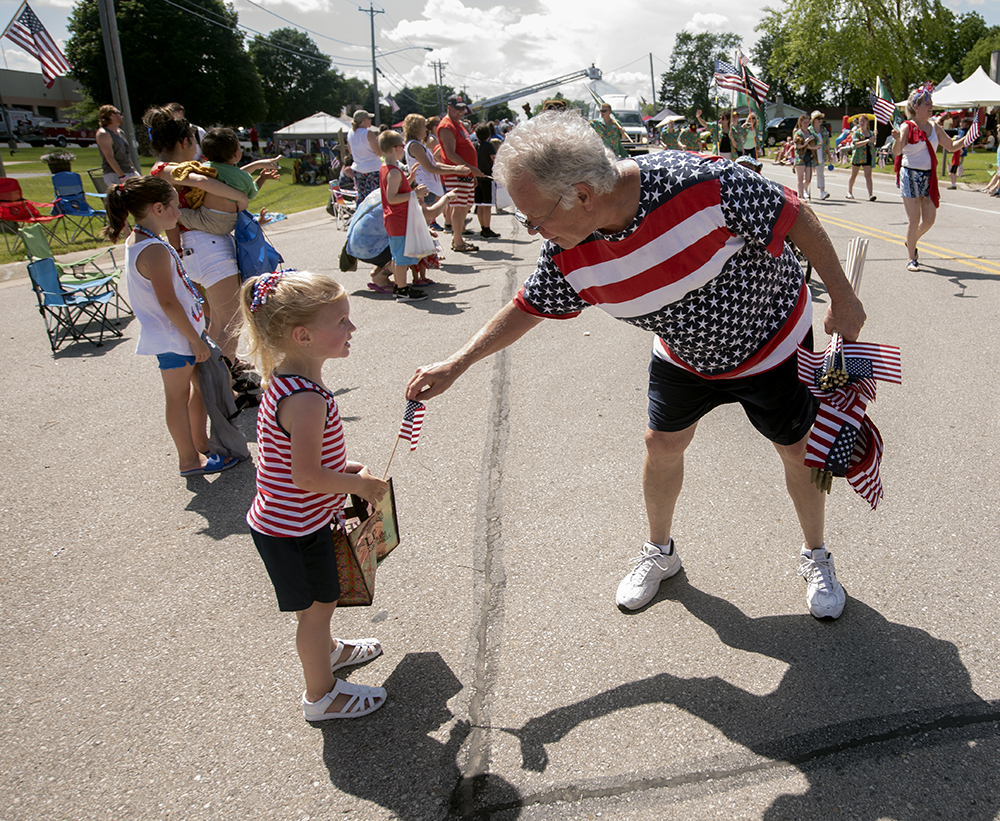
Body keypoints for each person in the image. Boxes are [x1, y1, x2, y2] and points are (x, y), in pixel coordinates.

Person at [405, 112, 866, 620]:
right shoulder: (566, 251)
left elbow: (792, 213)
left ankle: (815, 555)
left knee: (798, 450)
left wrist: (842, 298)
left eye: (536, 218)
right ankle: (660, 553)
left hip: (772, 342)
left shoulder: (704, 184)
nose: (535, 231)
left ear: (583, 194)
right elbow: (529, 305)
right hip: (684, 353)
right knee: (661, 443)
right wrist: (457, 363)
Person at [240, 270, 389, 721]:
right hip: (292, 530)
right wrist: (360, 486)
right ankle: (321, 696)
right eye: (341, 320)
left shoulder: (289, 381)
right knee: (317, 609)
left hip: (297, 521)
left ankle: (328, 654)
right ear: (303, 335)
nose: (352, 328)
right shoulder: (306, 399)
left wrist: (344, 470)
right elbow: (305, 476)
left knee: (321, 604)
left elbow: (297, 464)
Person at [104, 176, 238, 478]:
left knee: (199, 390)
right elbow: (167, 302)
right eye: (175, 207)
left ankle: (202, 445)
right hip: (175, 338)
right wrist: (195, 339)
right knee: (177, 398)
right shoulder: (154, 250)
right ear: (157, 208)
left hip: (179, 335)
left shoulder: (141, 240)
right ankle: (188, 460)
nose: (179, 214)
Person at [891, 84, 967, 272]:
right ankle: (911, 258)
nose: (931, 106)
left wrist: (968, 137)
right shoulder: (907, 127)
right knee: (914, 219)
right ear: (916, 108)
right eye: (927, 103)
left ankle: (910, 241)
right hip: (910, 175)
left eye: (931, 103)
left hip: (929, 177)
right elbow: (897, 152)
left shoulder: (935, 127)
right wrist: (897, 139)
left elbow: (951, 146)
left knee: (930, 220)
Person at [377, 129, 429, 302]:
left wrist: (409, 178)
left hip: (395, 219)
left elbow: (397, 188)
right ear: (394, 148)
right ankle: (402, 289)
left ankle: (400, 287)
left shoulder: (387, 168)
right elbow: (392, 198)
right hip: (398, 219)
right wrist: (415, 193)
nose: (403, 149)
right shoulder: (393, 172)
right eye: (401, 146)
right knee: (400, 258)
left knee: (397, 255)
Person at [437, 94, 486, 253]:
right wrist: (472, 170)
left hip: (465, 174)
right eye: (457, 109)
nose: (461, 112)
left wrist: (471, 173)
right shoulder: (447, 126)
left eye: (462, 109)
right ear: (449, 107)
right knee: (459, 207)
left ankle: (458, 238)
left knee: (465, 206)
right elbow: (450, 154)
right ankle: (458, 241)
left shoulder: (457, 124)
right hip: (456, 173)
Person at [96, 104, 139, 190]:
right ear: (112, 115)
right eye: (119, 113)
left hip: (129, 171)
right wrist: (122, 177)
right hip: (114, 174)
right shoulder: (103, 134)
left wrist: (134, 171)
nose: (121, 116)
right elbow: (109, 157)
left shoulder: (120, 132)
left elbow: (126, 154)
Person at [348, 110, 383, 202]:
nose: (370, 120)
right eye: (369, 118)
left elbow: (351, 151)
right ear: (363, 120)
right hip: (373, 168)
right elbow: (379, 152)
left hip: (358, 168)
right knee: (375, 197)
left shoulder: (350, 133)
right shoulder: (368, 133)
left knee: (361, 197)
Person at [474, 123, 501, 239]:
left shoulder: (474, 145)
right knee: (487, 205)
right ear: (489, 134)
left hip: (476, 177)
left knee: (479, 205)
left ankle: (482, 227)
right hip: (487, 177)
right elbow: (494, 159)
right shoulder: (489, 146)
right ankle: (487, 228)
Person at [846, 115, 876, 201]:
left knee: (868, 175)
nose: (862, 123)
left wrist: (873, 139)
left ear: (867, 122)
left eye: (863, 121)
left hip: (867, 156)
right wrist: (868, 140)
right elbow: (856, 144)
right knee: (854, 175)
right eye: (860, 121)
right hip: (858, 156)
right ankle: (849, 192)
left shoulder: (871, 133)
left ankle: (870, 194)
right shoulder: (857, 133)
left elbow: (873, 145)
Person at [793, 114, 815, 200]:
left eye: (807, 122)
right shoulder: (798, 133)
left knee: (808, 179)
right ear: (801, 123)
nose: (806, 124)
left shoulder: (810, 133)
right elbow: (798, 146)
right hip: (800, 156)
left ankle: (804, 190)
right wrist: (808, 140)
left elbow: (816, 144)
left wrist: (814, 147)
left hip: (808, 156)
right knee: (800, 178)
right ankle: (801, 196)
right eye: (805, 122)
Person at [809, 111, 830, 200]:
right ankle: (805, 191)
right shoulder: (809, 130)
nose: (820, 120)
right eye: (818, 118)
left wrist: (829, 154)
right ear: (813, 120)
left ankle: (822, 192)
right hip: (812, 155)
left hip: (822, 153)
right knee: (808, 175)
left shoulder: (823, 130)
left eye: (821, 118)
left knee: (820, 174)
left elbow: (827, 143)